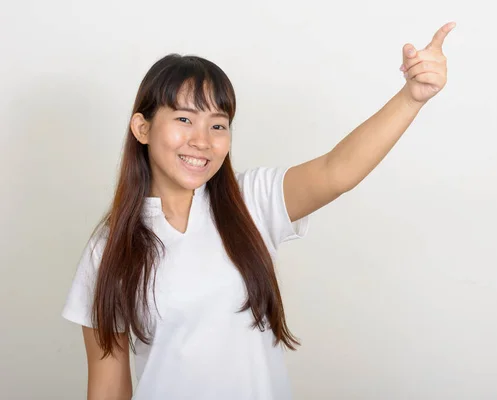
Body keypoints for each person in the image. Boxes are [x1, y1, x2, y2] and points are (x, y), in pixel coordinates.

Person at [61, 21, 456, 400]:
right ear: (142, 128)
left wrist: (411, 96)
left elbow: (338, 171)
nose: (202, 140)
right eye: (184, 119)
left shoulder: (251, 200)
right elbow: (109, 388)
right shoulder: (109, 248)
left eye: (218, 125)